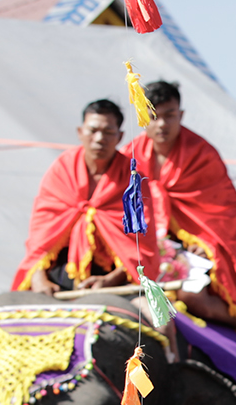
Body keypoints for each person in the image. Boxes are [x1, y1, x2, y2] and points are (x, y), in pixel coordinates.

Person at [125, 81, 236, 353]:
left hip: (193, 251)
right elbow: (116, 212)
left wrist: (204, 244)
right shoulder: (129, 158)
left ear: (181, 115)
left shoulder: (202, 154)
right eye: (153, 115)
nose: (161, 124)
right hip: (142, 250)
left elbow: (224, 213)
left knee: (191, 296)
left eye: (169, 115)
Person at [14, 100, 143, 295]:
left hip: (114, 280)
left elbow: (142, 246)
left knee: (157, 322)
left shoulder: (131, 178)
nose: (99, 138)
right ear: (80, 132)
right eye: (93, 130)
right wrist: (39, 280)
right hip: (56, 277)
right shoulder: (62, 170)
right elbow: (40, 237)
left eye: (108, 132)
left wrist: (110, 280)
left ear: (120, 136)